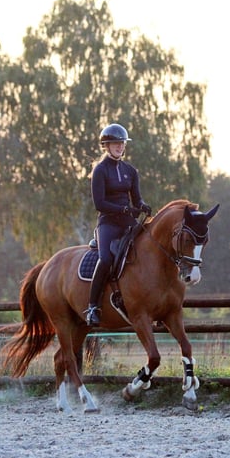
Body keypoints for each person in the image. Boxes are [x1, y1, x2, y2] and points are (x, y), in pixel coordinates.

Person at [85, 123, 152, 326]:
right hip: (108, 224)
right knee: (105, 259)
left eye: (122, 143)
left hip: (128, 223)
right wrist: (122, 209)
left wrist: (143, 206)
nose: (120, 147)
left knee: (147, 251)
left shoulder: (130, 171)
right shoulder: (100, 171)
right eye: (115, 143)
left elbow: (136, 199)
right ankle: (93, 307)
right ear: (106, 145)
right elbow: (100, 203)